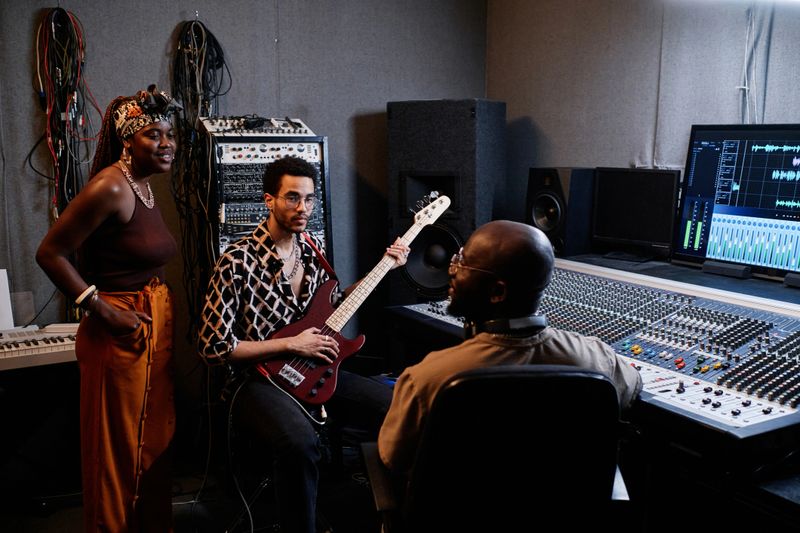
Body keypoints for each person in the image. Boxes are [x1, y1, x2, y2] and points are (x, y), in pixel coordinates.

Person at [197, 155, 409, 533]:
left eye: (309, 199)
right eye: (292, 197)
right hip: (256, 380)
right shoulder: (235, 261)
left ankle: (398, 515)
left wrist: (383, 268)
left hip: (315, 369)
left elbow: (334, 303)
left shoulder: (311, 250)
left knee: (397, 405)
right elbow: (214, 346)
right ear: (269, 200)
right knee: (299, 443)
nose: (303, 208)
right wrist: (291, 345)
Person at [378, 219, 642, 474]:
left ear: (497, 292)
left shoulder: (427, 377)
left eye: (463, 264)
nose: (452, 272)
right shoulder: (597, 358)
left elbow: (394, 458)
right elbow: (632, 387)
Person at [36, 85, 180, 532]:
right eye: (153, 135)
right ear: (128, 141)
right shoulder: (111, 186)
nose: (167, 143)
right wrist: (100, 308)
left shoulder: (144, 186)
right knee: (116, 455)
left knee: (150, 443)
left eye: (170, 134)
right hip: (118, 333)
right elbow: (50, 253)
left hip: (150, 328)